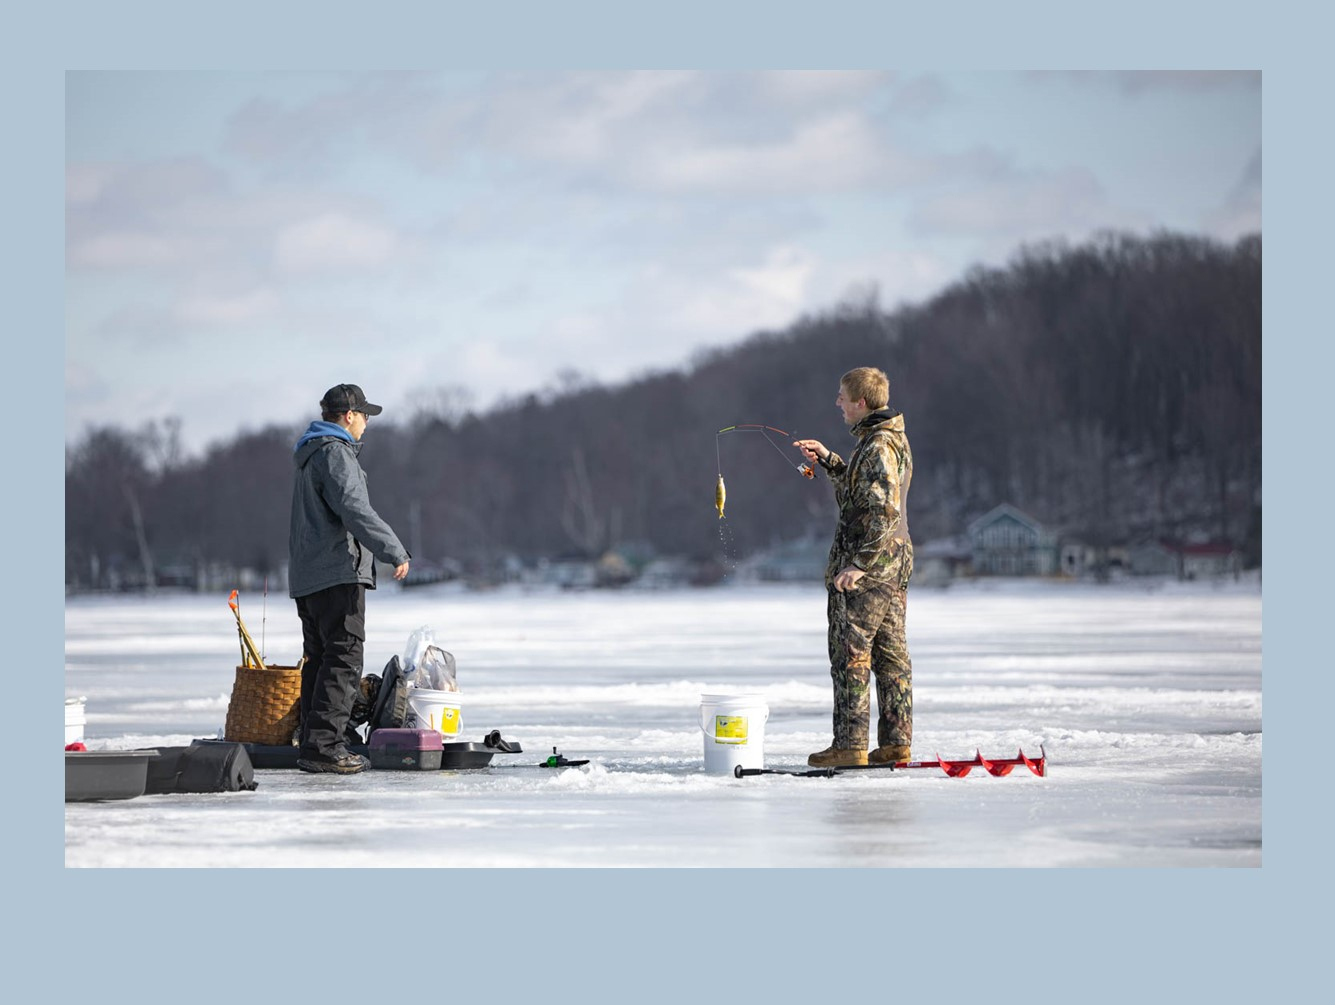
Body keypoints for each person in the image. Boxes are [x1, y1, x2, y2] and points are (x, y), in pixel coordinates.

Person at [794, 366, 914, 768]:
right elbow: (861, 494)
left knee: (850, 655)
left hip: (872, 566)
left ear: (860, 402)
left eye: (842, 397)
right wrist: (829, 461)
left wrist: (859, 565)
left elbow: (883, 510)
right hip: (894, 563)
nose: (838, 404)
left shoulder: (878, 446)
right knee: (890, 656)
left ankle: (849, 746)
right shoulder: (885, 440)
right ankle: (896, 743)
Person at [289, 383, 411, 774]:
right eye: (365, 416)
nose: (367, 424)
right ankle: (325, 747)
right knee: (343, 659)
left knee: (321, 660)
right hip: (337, 574)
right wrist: (394, 549)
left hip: (310, 577)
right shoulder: (335, 454)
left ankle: (316, 740)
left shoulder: (310, 456)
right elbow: (354, 509)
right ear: (348, 416)